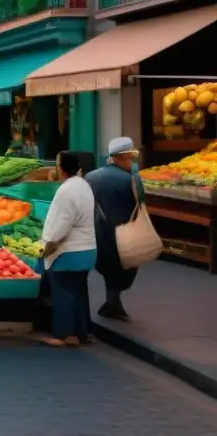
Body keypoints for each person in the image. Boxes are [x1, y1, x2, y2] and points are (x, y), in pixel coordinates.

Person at [85, 136, 145, 321]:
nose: (131, 162)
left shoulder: (91, 177)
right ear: (123, 157)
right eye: (130, 158)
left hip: (98, 231)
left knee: (107, 267)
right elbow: (140, 204)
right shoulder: (130, 180)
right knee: (124, 268)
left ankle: (112, 301)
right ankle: (112, 302)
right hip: (124, 232)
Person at [41, 151, 97, 347]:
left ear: (61, 168)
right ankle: (82, 333)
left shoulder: (66, 191)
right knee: (79, 291)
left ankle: (65, 335)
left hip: (69, 252)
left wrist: (47, 247)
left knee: (63, 292)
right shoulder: (83, 185)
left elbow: (60, 225)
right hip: (88, 250)